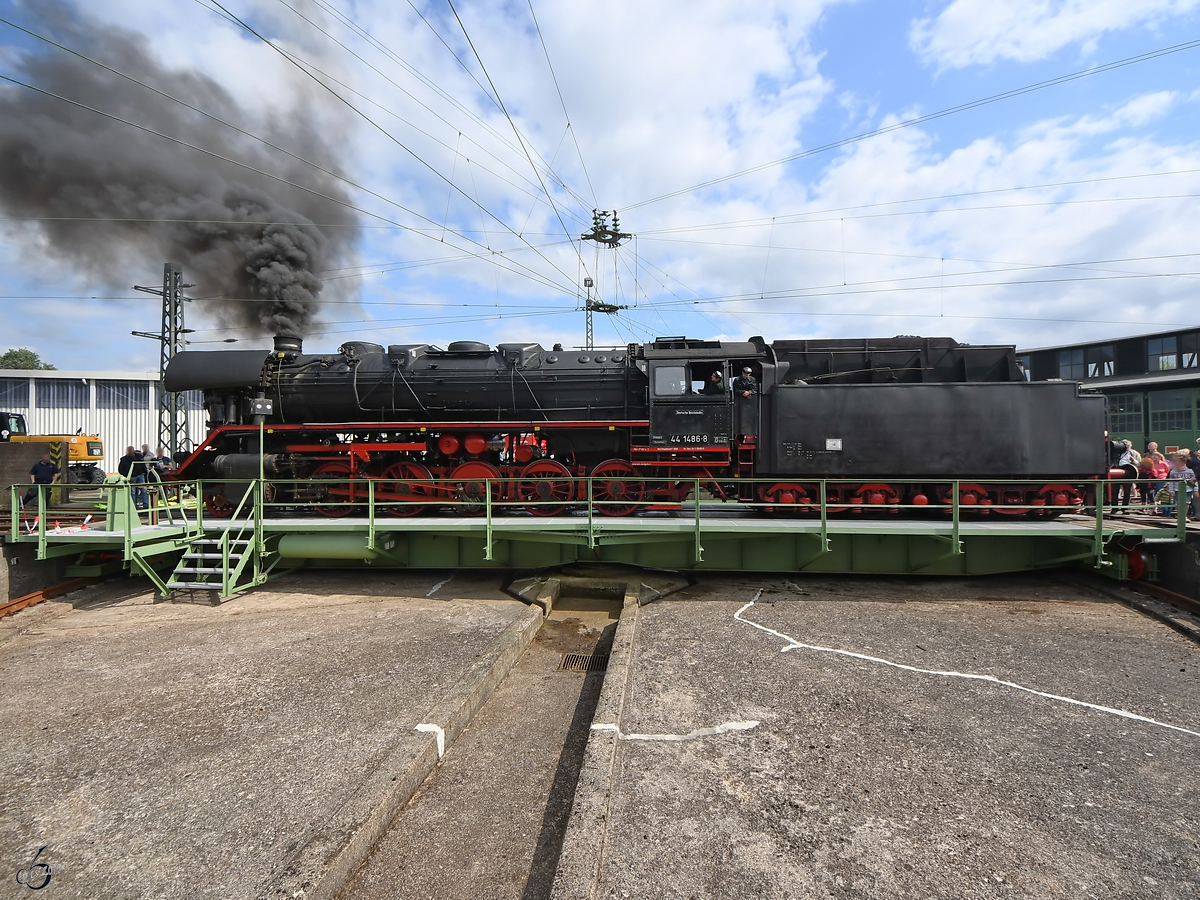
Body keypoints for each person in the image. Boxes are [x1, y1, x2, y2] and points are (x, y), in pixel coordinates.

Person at [1163, 453, 1197, 519]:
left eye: (1177, 461)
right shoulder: (1173, 472)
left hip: (1188, 489)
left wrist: (1195, 490)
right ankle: (1180, 516)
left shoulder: (1190, 471)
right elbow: (1171, 482)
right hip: (1177, 489)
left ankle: (1184, 516)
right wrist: (1171, 490)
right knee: (1178, 503)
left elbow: (1194, 481)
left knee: (1186, 503)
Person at [1113, 439, 1140, 513]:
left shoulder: (1134, 453)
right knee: (1114, 491)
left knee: (1127, 491)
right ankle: (1114, 508)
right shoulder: (1115, 453)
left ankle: (1125, 508)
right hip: (1116, 471)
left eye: (1128, 446)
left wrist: (1133, 461)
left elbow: (1139, 464)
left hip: (1128, 472)